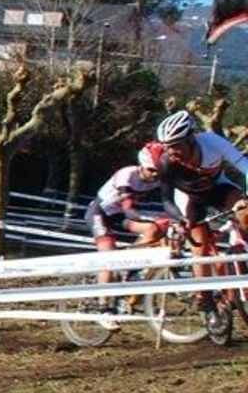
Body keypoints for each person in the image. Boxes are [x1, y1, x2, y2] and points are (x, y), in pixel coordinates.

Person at [150, 109, 248, 312]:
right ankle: (204, 299)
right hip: (190, 198)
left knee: (245, 212)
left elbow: (245, 166)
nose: (172, 151)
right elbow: (167, 200)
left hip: (218, 187)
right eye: (168, 147)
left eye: (177, 145)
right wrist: (179, 219)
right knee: (199, 247)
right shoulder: (166, 163)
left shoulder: (212, 142)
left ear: (192, 139)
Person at [85, 142, 168, 297]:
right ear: (141, 165)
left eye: (159, 171)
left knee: (152, 229)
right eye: (151, 170)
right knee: (109, 258)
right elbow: (129, 210)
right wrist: (154, 218)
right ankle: (104, 307)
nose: (155, 174)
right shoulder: (127, 175)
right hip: (100, 214)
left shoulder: (159, 179)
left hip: (118, 216)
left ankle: (129, 268)